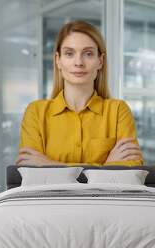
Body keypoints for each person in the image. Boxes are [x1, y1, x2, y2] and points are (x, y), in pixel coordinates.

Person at [16, 20, 144, 167]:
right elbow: (31, 173)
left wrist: (52, 165)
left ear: (100, 61)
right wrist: (105, 167)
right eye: (69, 54)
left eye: (88, 54)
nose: (78, 62)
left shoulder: (118, 111)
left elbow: (131, 169)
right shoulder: (36, 113)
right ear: (58, 60)